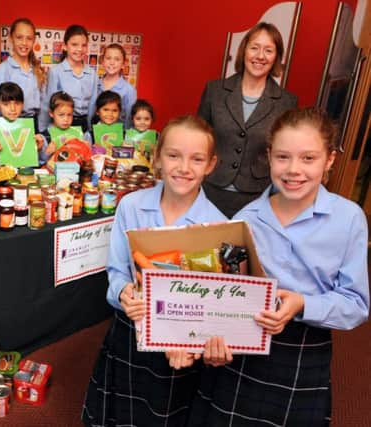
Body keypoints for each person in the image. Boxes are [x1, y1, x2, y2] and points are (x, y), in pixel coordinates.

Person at [189, 107, 369, 426]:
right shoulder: (246, 219)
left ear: (329, 160)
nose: (293, 170)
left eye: (309, 158)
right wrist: (214, 335)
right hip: (245, 346)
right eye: (283, 157)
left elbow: (355, 305)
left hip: (304, 350)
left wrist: (303, 303)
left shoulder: (350, 218)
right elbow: (225, 293)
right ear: (270, 156)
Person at [82, 115, 228, 426]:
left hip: (182, 348)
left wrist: (187, 340)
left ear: (211, 164)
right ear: (157, 156)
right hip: (131, 333)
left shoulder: (218, 226)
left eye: (196, 159)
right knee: (121, 414)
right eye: (173, 155)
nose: (184, 167)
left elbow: (212, 303)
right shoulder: (130, 206)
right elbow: (116, 270)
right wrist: (123, 292)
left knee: (165, 414)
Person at [198, 22, 297, 217]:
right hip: (211, 188)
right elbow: (198, 139)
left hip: (257, 197)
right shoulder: (215, 91)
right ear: (244, 51)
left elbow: (285, 151)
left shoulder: (287, 102)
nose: (260, 56)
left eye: (268, 50)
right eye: (254, 48)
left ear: (276, 57)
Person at [38, 24, 97, 133]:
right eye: (74, 44)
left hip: (84, 125)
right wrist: (44, 131)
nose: (80, 49)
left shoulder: (92, 74)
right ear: (64, 46)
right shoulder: (56, 72)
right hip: (61, 125)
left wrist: (89, 129)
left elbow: (93, 105)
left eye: (84, 45)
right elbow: (49, 103)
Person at [0, 17, 46, 131]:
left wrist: (42, 132)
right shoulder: (2, 71)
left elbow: (44, 105)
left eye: (29, 38)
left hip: (33, 124)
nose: (24, 43)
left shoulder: (39, 71)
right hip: (10, 125)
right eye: (19, 37)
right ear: (11, 38)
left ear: (34, 41)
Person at [41, 91, 91, 160]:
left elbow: (85, 159)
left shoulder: (79, 133)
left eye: (69, 115)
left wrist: (87, 149)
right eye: (61, 115)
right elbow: (40, 162)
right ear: (51, 113)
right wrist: (47, 153)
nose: (66, 119)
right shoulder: (45, 137)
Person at [98, 43, 137, 128]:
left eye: (117, 59)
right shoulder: (95, 84)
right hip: (96, 133)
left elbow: (129, 119)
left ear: (123, 64)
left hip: (118, 136)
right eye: (108, 58)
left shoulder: (129, 90)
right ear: (103, 61)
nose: (112, 62)